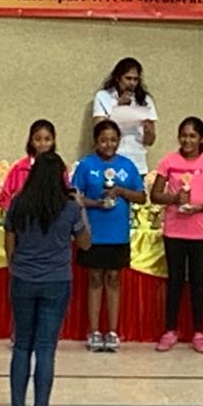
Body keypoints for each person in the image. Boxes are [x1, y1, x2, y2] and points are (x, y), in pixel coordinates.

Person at [3, 152, 91, 406]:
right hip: (56, 281)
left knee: (21, 345)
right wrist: (82, 208)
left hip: (23, 279)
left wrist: (13, 264)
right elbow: (85, 243)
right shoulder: (69, 208)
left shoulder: (19, 203)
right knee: (45, 349)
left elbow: (9, 236)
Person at [150, 117, 203, 354]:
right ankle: (170, 330)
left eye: (192, 136)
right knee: (175, 281)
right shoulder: (169, 161)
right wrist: (174, 199)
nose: (187, 140)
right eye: (183, 135)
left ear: (201, 138)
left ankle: (198, 332)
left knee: (197, 282)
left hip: (200, 232)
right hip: (174, 230)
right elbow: (155, 195)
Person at [71, 120, 146, 353]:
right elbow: (74, 197)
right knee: (94, 279)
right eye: (104, 140)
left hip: (117, 234)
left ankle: (112, 332)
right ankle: (94, 331)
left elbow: (142, 197)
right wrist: (95, 203)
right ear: (96, 141)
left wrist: (121, 191)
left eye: (113, 140)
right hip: (93, 233)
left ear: (119, 141)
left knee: (113, 278)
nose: (108, 144)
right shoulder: (86, 165)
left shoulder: (127, 166)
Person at [93, 57, 158, 174]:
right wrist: (119, 106)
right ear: (118, 78)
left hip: (137, 162)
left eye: (135, 79)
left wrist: (148, 130)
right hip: (111, 160)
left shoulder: (145, 100)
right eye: (128, 78)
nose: (132, 83)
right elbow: (98, 131)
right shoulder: (103, 97)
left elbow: (150, 141)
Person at [0, 119, 57, 211]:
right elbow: (4, 198)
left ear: (53, 141)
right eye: (38, 139)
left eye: (47, 139)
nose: (42, 144)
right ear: (31, 141)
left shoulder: (59, 168)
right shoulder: (19, 168)